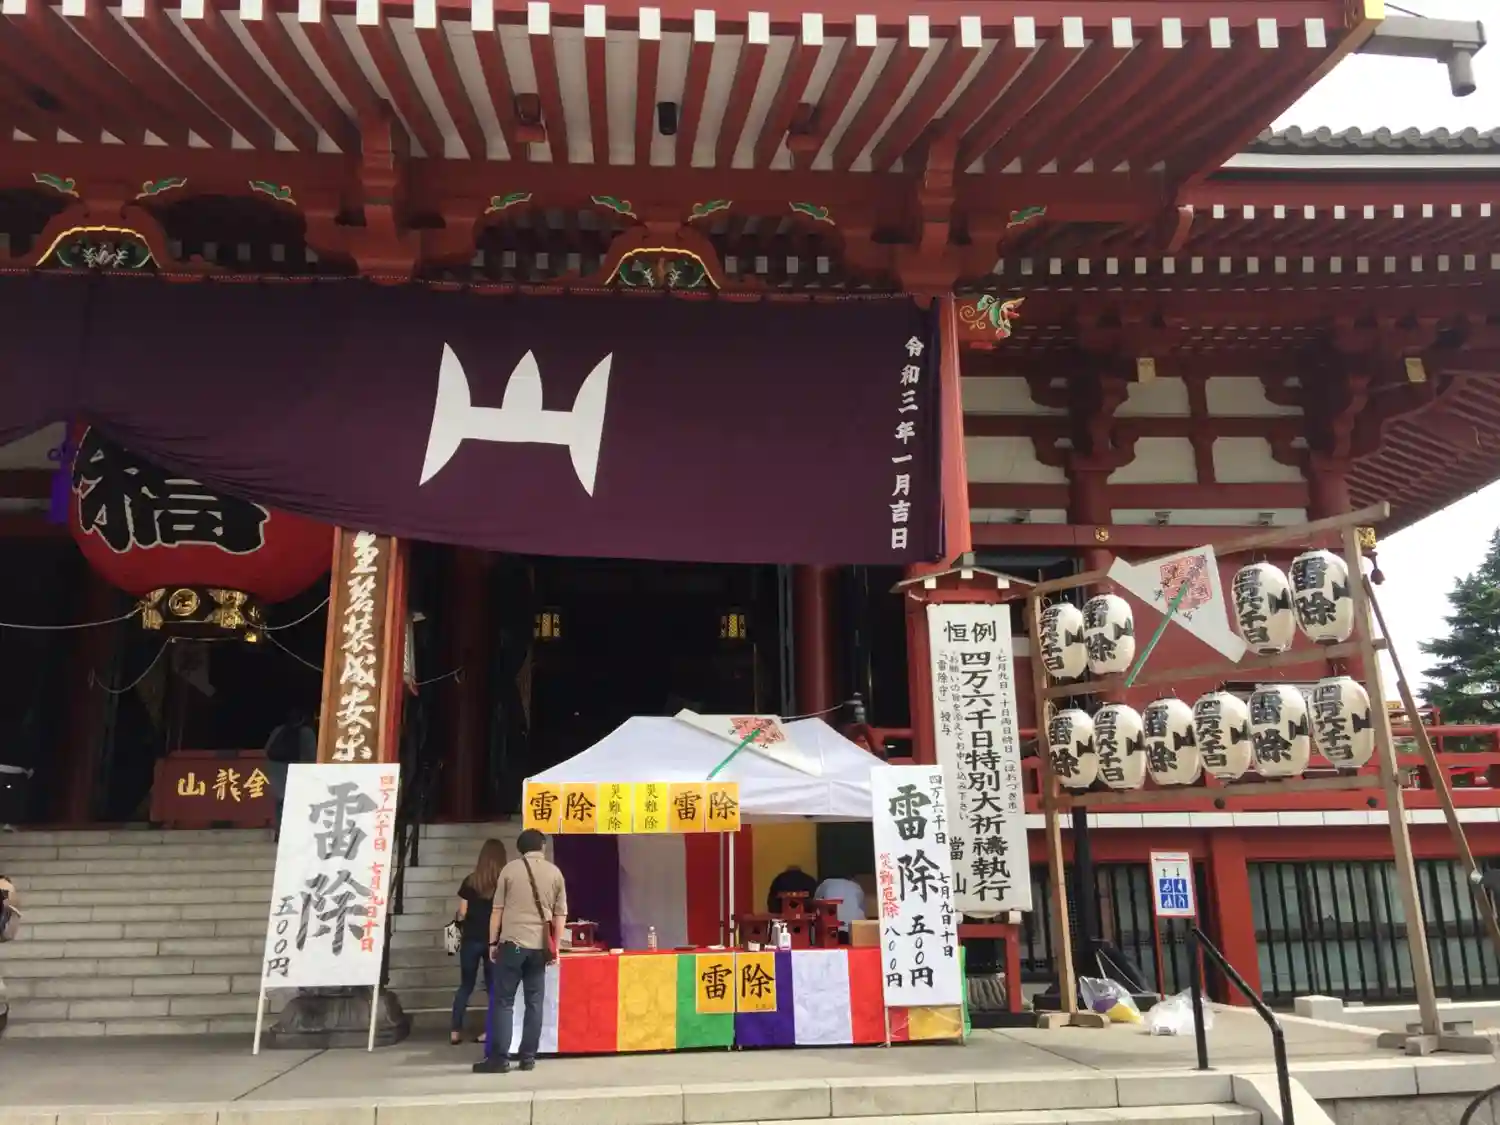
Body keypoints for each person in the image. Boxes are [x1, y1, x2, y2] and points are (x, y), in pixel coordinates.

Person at [475, 828, 567, 1074]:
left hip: (513, 945)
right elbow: (560, 915)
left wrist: (492, 943)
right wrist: (555, 946)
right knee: (534, 1003)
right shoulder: (555, 873)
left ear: (520, 848)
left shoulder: (509, 870)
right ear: (543, 846)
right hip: (539, 948)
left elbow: (497, 911)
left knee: (504, 1002)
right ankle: (528, 1058)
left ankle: (499, 1060)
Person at [450, 838, 507, 1045]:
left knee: (465, 985)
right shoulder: (503, 883)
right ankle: (489, 1032)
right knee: (493, 988)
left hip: (471, 939)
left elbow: (462, 913)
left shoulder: (470, 881)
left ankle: (455, 1031)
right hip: (494, 941)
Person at [263, 709, 316, 831]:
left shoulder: (278, 730)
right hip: (298, 771)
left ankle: (279, 831)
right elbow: (311, 755)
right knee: (298, 804)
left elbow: (267, 750)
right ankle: (294, 831)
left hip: (277, 770)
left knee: (280, 803)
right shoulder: (307, 732)